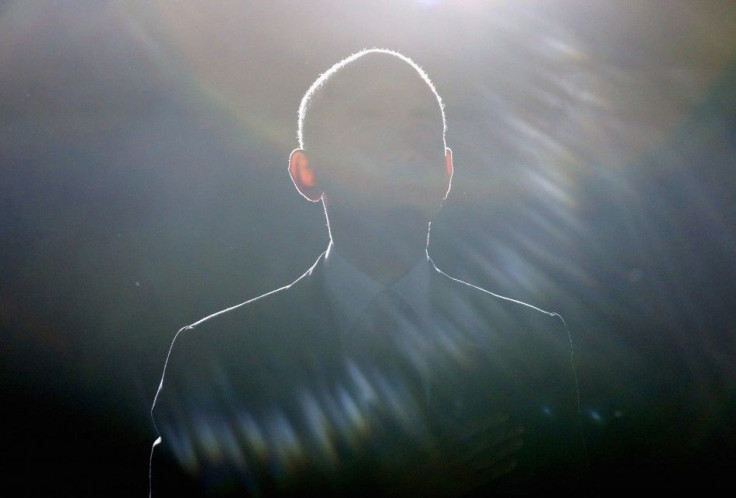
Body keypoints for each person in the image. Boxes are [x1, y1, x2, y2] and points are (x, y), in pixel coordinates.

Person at [150, 48, 586, 497]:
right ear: (306, 172)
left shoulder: (532, 344)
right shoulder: (216, 359)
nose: (404, 150)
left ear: (446, 172)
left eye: (421, 132)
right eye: (368, 129)